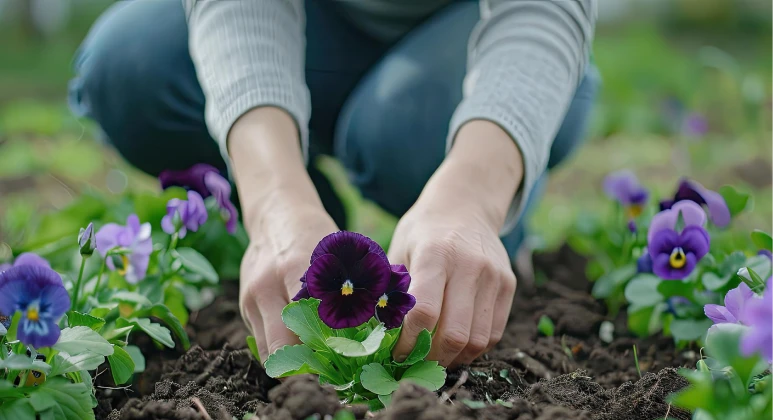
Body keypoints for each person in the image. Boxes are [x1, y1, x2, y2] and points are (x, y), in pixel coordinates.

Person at [70, 0, 599, 369]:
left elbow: (544, 8)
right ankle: (310, 246)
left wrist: (473, 194)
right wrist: (275, 199)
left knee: (399, 135)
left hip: (484, 41)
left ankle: (487, 226)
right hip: (320, 26)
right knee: (129, 68)